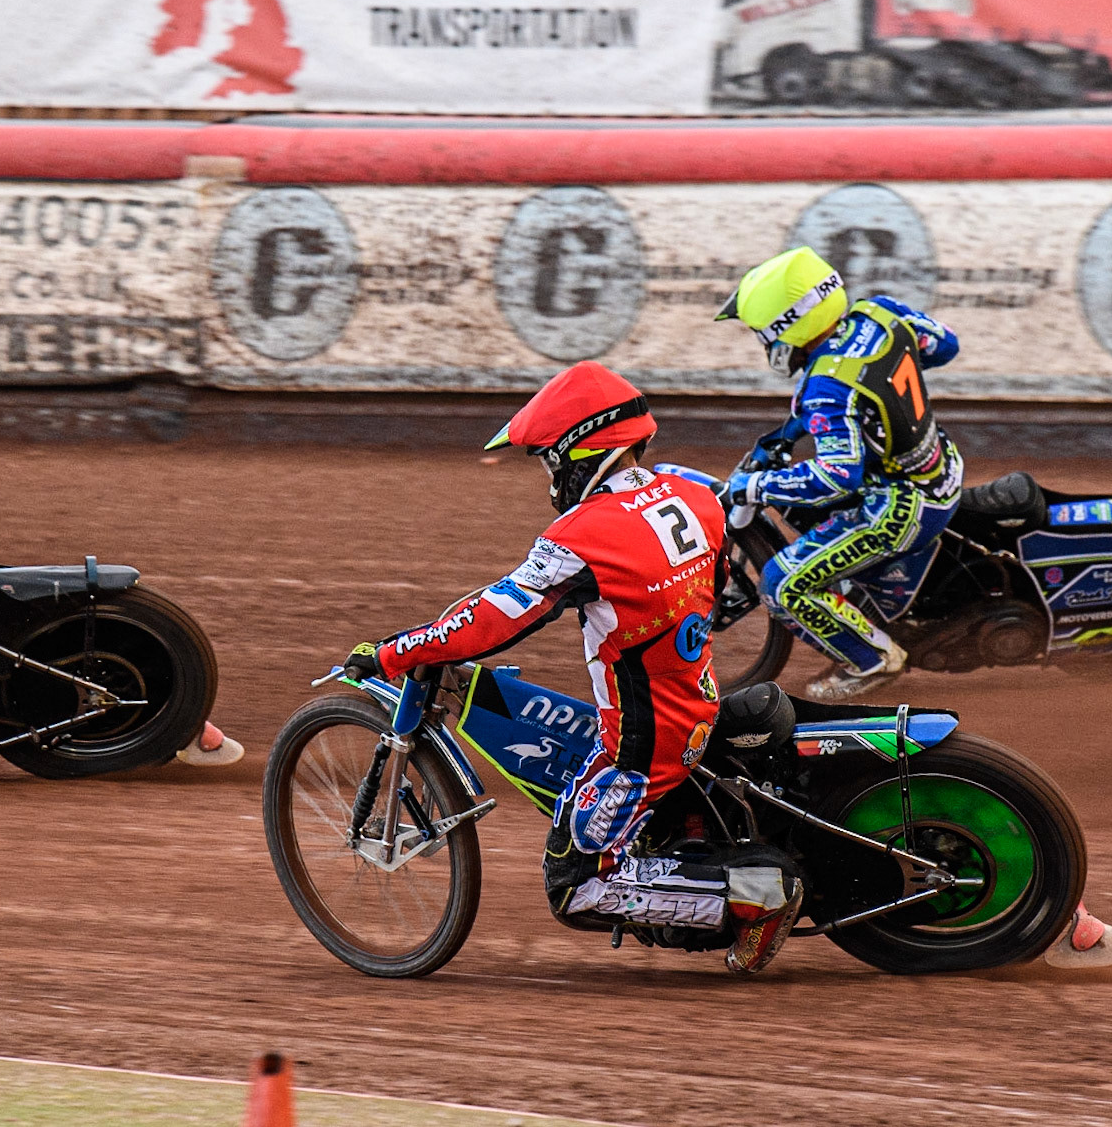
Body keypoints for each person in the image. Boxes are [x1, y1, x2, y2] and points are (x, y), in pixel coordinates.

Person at [342, 361, 806, 974]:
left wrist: (397, 650)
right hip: (696, 694)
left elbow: (497, 618)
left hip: (643, 743)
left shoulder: (584, 534)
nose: (550, 476)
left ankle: (759, 894)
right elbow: (717, 586)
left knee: (574, 885)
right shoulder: (695, 494)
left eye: (548, 460)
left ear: (578, 451)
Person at [715, 246, 965, 700]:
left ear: (787, 326)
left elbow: (837, 476)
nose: (764, 344)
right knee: (806, 512)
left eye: (761, 333)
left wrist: (755, 486)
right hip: (940, 466)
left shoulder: (827, 386)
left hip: (900, 506)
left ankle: (874, 660)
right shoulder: (881, 313)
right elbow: (945, 345)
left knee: (782, 584)